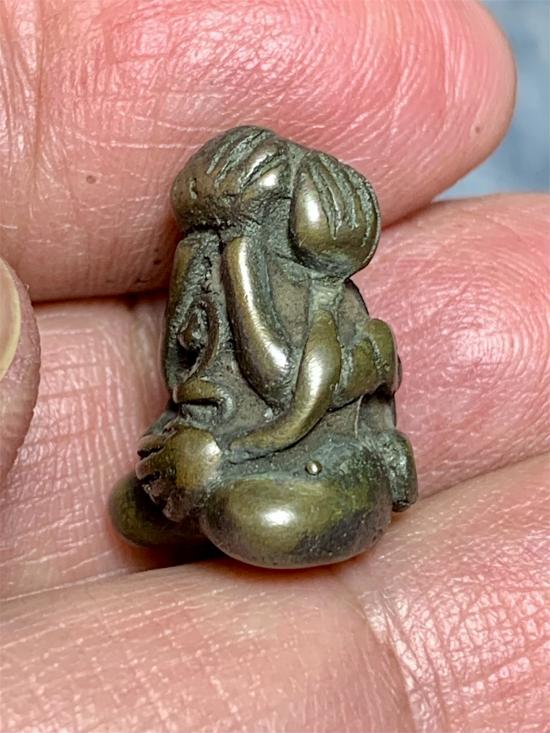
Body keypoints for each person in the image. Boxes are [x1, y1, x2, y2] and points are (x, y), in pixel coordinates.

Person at [0, 1, 548, 730]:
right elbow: (186, 362)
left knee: (250, 514)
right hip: (239, 439)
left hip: (309, 462)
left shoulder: (322, 308)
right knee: (150, 506)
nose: (213, 253)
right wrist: (189, 431)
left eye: (236, 235)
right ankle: (206, 498)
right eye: (209, 235)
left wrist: (220, 446)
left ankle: (284, 489)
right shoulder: (211, 264)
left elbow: (285, 389)